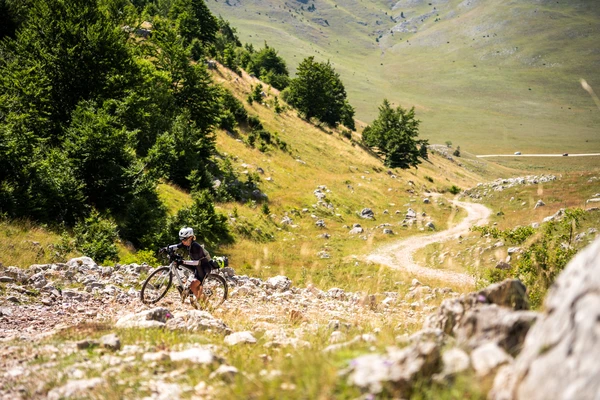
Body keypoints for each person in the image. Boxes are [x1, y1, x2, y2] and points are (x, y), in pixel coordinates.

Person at [177, 226, 212, 303]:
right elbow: (177, 246)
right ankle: (196, 297)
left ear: (190, 238)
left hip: (204, 268)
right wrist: (166, 248)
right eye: (181, 239)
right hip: (198, 268)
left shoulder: (195, 247)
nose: (182, 241)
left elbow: (197, 262)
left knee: (193, 285)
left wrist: (182, 262)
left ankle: (203, 303)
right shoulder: (188, 243)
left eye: (184, 239)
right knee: (191, 284)